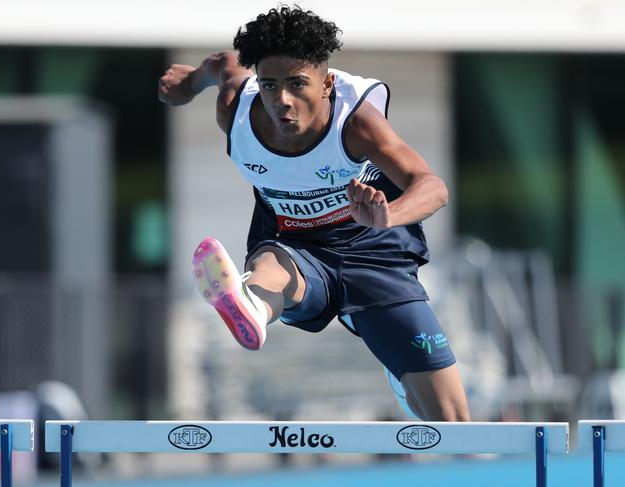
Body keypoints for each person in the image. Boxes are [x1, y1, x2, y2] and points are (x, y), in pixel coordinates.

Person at [158, 5, 470, 421]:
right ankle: (252, 307)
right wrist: (190, 83)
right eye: (269, 85)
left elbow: (432, 186)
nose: (281, 100)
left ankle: (400, 372)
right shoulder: (236, 107)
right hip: (295, 246)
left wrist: (387, 215)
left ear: (327, 84)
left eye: (297, 84)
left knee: (453, 421)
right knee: (271, 263)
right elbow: (222, 64)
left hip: (374, 250)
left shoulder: (356, 123)